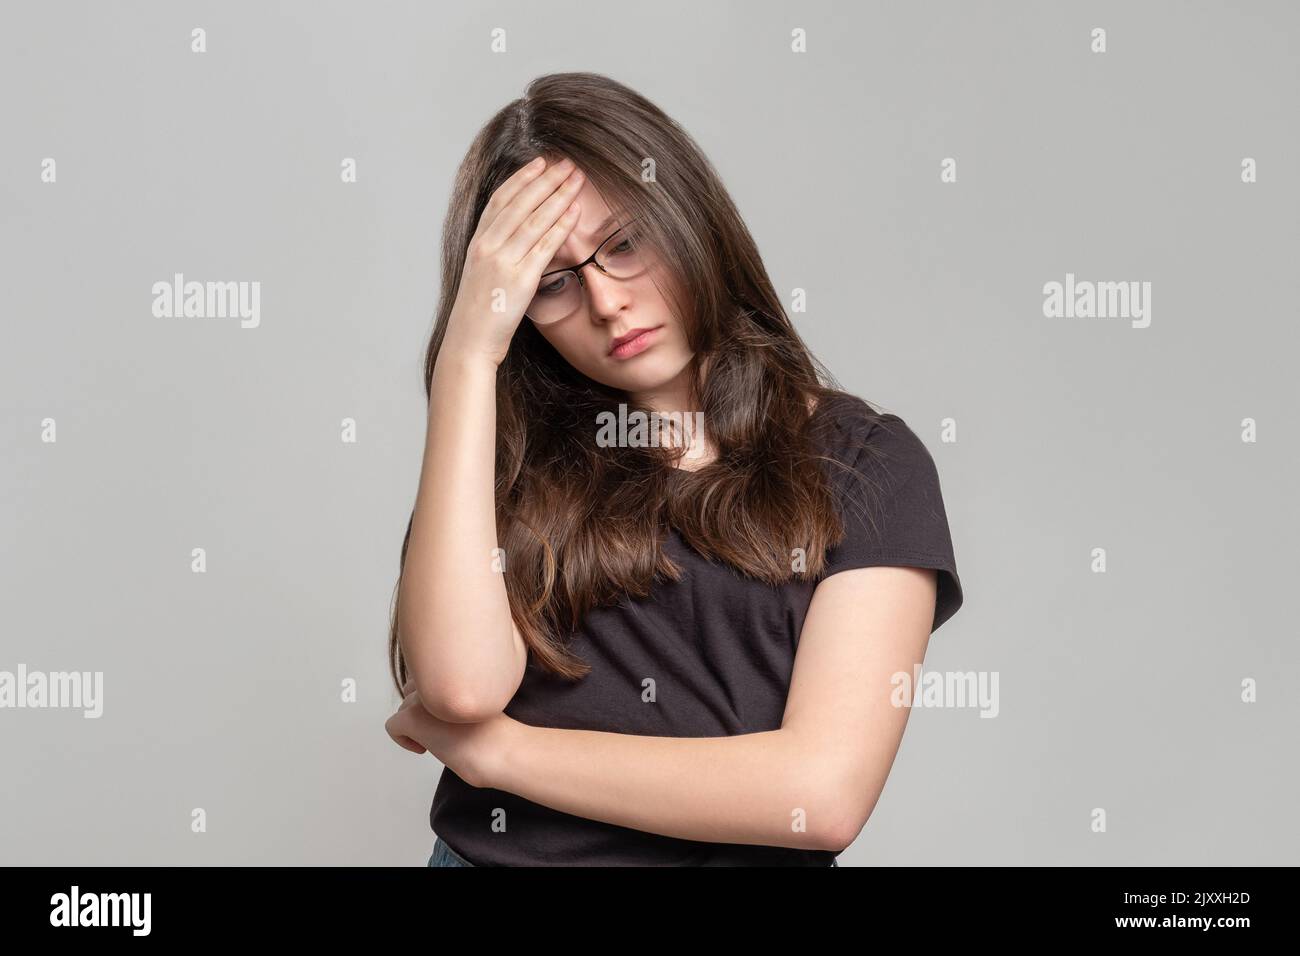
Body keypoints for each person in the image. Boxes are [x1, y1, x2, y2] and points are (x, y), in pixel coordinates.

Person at [385, 72, 964, 867]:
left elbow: (820, 797)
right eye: (550, 284)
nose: (606, 302)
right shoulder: (504, 456)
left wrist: (499, 757)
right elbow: (458, 690)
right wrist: (465, 355)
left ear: (688, 214)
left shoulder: (864, 462)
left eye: (623, 244)